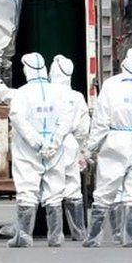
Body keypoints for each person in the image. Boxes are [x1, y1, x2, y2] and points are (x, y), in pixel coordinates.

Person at [84, 46, 132, 248]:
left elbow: (101, 120)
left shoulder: (111, 85)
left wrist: (90, 147)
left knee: (106, 187)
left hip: (115, 138)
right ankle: (129, 236)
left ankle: (94, 236)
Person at [2, 53, 70, 248]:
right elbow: (66, 120)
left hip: (28, 150)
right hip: (54, 149)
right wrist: (53, 142)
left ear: (28, 70)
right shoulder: (58, 92)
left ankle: (24, 236)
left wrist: (37, 142)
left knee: (27, 189)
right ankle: (55, 236)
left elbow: (18, 119)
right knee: (55, 189)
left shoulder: (22, 93)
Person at [50, 55, 90, 242]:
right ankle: (79, 231)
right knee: (73, 186)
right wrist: (82, 149)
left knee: (52, 186)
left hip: (51, 142)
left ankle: (56, 234)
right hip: (71, 143)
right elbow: (83, 127)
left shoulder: (47, 93)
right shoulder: (77, 97)